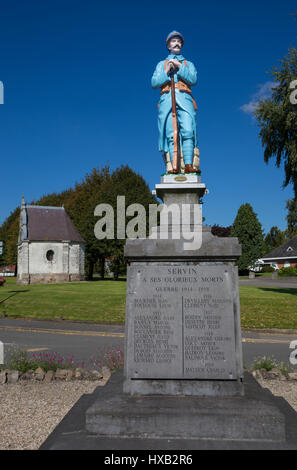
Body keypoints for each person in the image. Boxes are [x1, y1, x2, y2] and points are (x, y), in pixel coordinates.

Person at [152, 31, 199, 174]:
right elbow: (154, 83)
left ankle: (189, 165)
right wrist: (166, 72)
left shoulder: (188, 63)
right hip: (167, 99)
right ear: (168, 45)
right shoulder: (162, 64)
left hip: (184, 97)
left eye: (179, 41)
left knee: (188, 131)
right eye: (173, 41)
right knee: (171, 134)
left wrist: (180, 67)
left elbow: (193, 80)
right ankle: (173, 167)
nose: (176, 43)